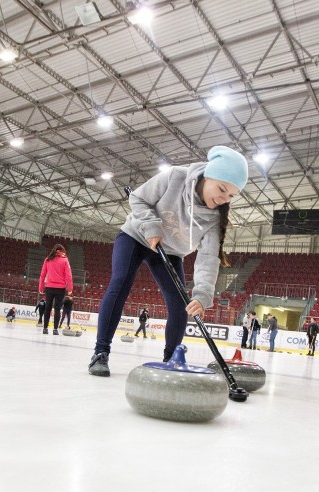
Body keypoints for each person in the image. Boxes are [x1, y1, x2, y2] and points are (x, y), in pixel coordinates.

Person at [88, 145, 248, 376]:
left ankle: (172, 358)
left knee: (179, 305)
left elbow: (208, 258)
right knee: (120, 283)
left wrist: (202, 295)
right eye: (222, 189)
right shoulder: (175, 176)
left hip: (170, 252)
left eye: (231, 195)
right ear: (208, 176)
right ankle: (100, 352)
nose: (224, 199)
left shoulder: (215, 218)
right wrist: (151, 226)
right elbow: (138, 199)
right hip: (136, 236)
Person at [38, 243, 74, 336]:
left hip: (49, 287)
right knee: (57, 309)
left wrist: (41, 287)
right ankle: (55, 330)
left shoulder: (48, 259)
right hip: (60, 289)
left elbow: (42, 274)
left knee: (47, 308)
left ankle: (45, 329)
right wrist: (70, 288)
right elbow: (69, 276)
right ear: (63, 251)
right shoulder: (65, 260)